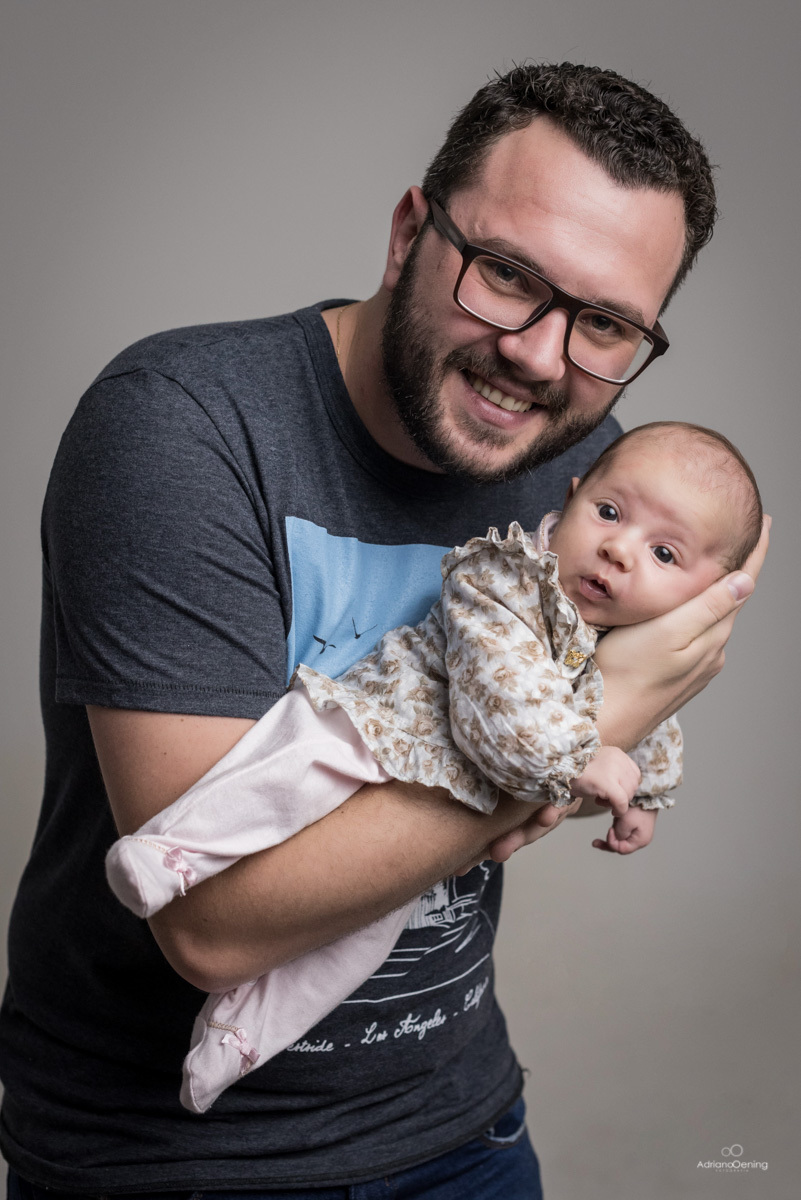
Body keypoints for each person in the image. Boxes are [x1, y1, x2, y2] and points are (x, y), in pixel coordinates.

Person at [0, 64, 767, 1197]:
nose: (538, 357)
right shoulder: (180, 427)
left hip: (462, 1129)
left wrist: (614, 753)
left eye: (605, 323)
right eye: (507, 275)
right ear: (412, 231)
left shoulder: (592, 480)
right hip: (166, 1164)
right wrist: (616, 710)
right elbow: (211, 932)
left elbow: (556, 780)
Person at [105, 420, 763, 1115]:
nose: (618, 549)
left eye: (663, 553)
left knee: (359, 931)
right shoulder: (506, 578)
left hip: (426, 796)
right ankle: (173, 853)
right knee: (289, 774)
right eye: (607, 512)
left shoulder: (621, 637)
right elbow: (507, 713)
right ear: (570, 498)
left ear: (705, 596)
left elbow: (651, 709)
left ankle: (240, 1034)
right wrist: (586, 751)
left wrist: (648, 791)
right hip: (381, 722)